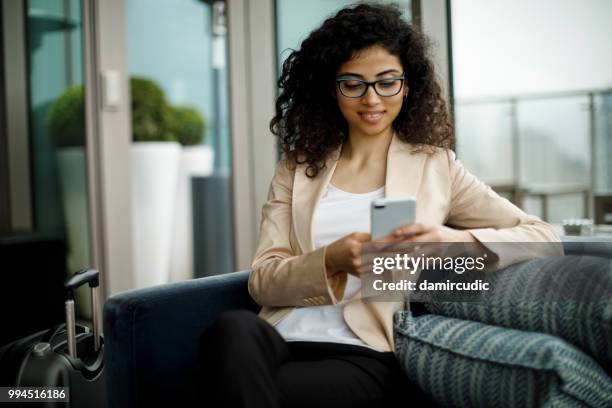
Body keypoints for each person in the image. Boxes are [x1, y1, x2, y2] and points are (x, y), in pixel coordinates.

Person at [196, 3, 560, 408]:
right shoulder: (296, 168)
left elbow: (544, 239)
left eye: (387, 82)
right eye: (353, 84)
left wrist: (448, 240)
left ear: (407, 86)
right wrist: (330, 259)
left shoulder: (435, 167)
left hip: (364, 350)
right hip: (279, 337)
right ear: (331, 88)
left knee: (240, 388)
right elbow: (262, 280)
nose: (372, 99)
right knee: (231, 329)